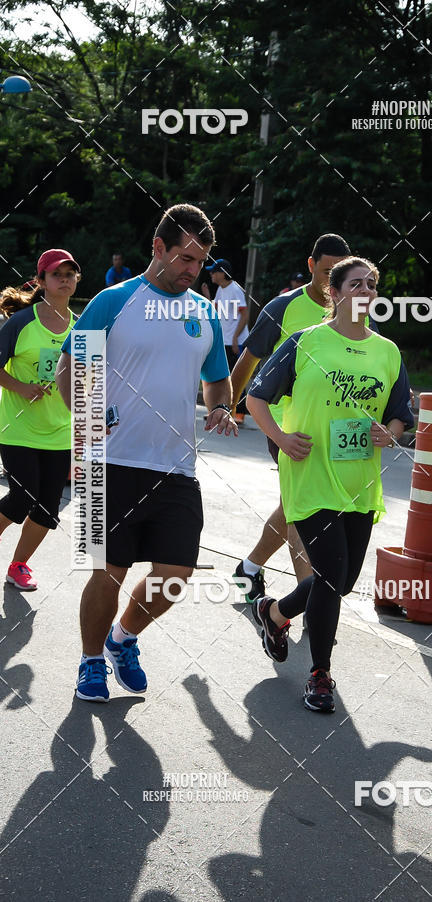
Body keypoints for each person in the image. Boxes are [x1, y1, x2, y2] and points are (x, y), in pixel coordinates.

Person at [56, 204, 237, 703]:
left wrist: (221, 408)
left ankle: (123, 638)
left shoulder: (203, 314)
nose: (191, 270)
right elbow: (70, 373)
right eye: (184, 258)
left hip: (176, 467)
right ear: (157, 248)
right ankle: (91, 661)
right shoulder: (114, 301)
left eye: (199, 262)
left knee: (175, 577)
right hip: (108, 464)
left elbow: (217, 383)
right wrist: (88, 423)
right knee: (107, 572)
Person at [246, 257, 414, 712]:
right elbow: (256, 396)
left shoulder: (388, 352)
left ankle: (274, 613)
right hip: (310, 476)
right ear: (334, 293)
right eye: (355, 284)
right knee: (330, 573)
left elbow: (402, 414)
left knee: (338, 580)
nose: (365, 291)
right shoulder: (306, 343)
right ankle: (320, 674)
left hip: (360, 482)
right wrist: (280, 438)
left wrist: (390, 433)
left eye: (372, 285)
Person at [230, 234, 350, 602]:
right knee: (303, 507)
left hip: (336, 428)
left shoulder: (355, 312)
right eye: (327, 272)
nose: (333, 283)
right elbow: (248, 360)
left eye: (339, 275)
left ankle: (249, 569)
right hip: (285, 425)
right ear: (311, 267)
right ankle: (308, 596)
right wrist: (225, 407)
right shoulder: (282, 308)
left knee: (293, 506)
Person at [0, 249, 79, 590]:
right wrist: (21, 386)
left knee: (47, 511)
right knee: (22, 497)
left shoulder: (82, 327)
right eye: (56, 274)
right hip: (17, 427)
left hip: (58, 432)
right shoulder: (20, 322)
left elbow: (88, 381)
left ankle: (19, 565)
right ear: (42, 281)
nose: (64, 279)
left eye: (70, 274)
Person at [207, 258, 248, 424]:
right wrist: (207, 297)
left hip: (235, 341)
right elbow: (214, 309)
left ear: (223, 273)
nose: (211, 274)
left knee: (236, 376)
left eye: (214, 271)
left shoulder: (235, 290)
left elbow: (245, 315)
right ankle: (220, 411)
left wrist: (236, 338)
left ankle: (239, 413)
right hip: (224, 339)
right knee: (222, 376)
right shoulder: (220, 290)